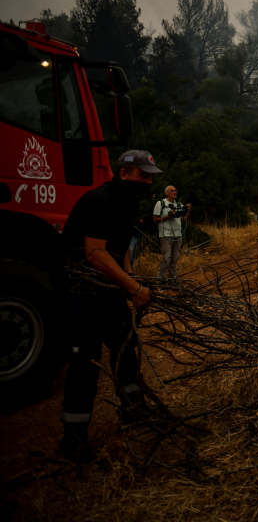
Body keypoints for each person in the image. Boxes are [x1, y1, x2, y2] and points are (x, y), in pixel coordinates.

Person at [59, 150, 162, 463]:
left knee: (125, 351)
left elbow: (121, 250)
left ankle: (132, 410)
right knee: (85, 366)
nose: (147, 181)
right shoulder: (101, 201)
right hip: (81, 294)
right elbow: (95, 254)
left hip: (109, 291)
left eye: (150, 176)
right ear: (123, 173)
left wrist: (131, 283)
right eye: (142, 175)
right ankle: (73, 441)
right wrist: (133, 288)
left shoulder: (128, 203)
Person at [153, 185, 191, 279]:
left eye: (175, 190)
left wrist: (188, 211)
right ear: (167, 193)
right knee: (166, 258)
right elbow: (155, 219)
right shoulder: (161, 203)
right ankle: (160, 279)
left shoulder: (178, 204)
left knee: (175, 258)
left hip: (178, 234)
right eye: (172, 191)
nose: (175, 192)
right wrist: (168, 216)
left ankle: (172, 279)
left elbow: (184, 219)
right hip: (166, 234)